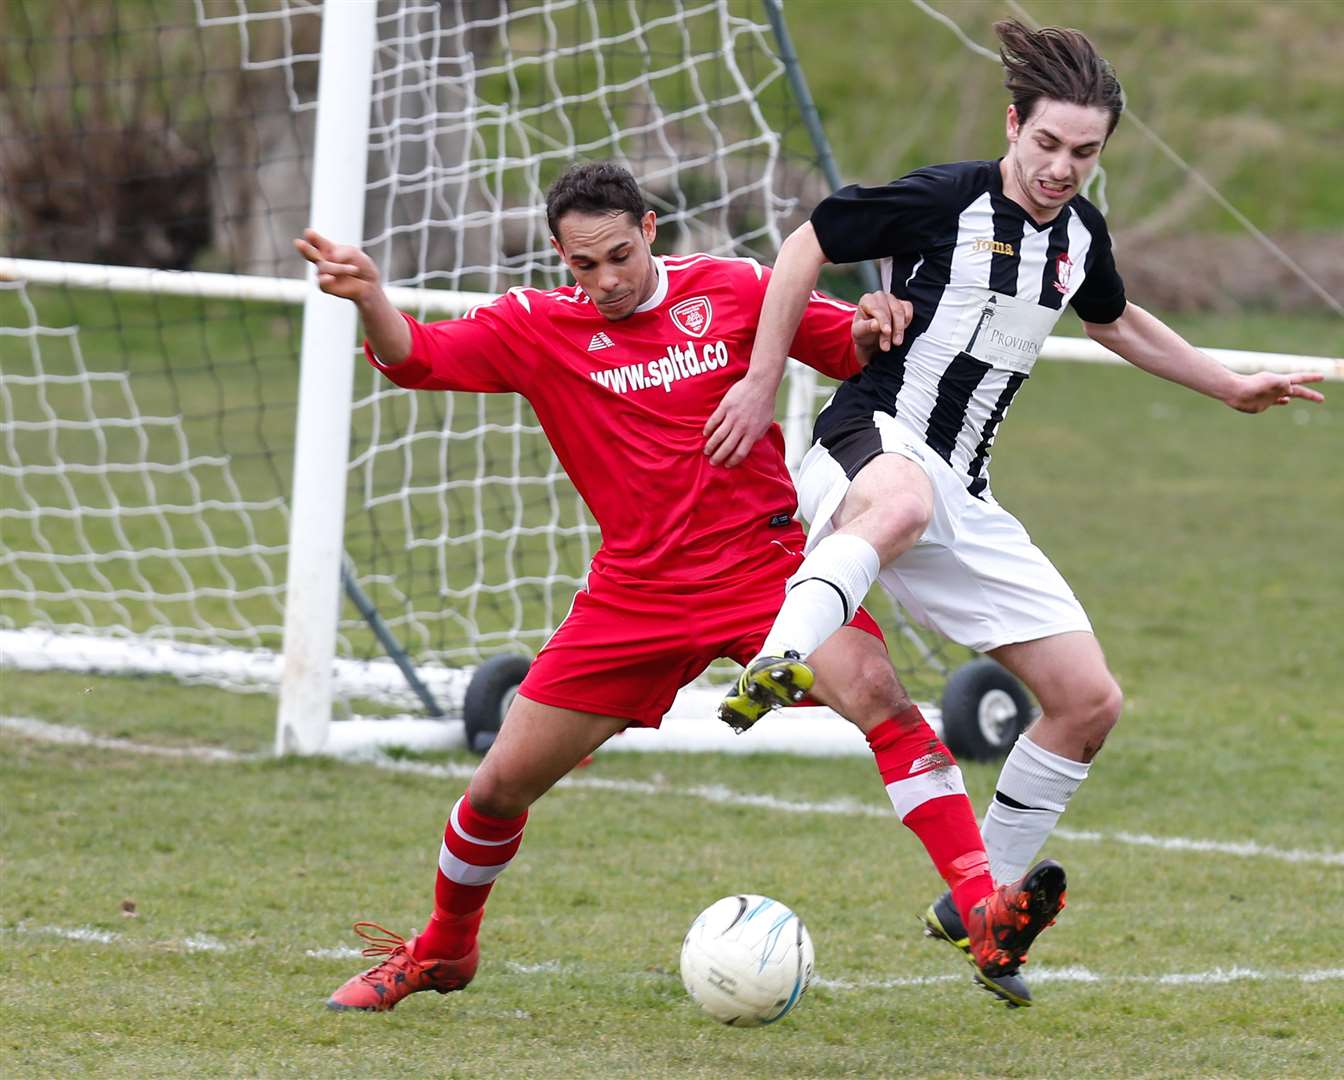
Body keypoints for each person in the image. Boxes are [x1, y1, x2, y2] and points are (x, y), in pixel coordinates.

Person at [296, 161, 1065, 1013]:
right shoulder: (536, 325)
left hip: (762, 573)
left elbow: (846, 342)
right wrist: (371, 297)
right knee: (496, 788)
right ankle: (443, 951)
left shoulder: (735, 292)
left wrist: (877, 318)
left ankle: (983, 906)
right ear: (560, 258)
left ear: (651, 229)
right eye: (583, 266)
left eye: (619, 256)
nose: (606, 282)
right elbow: (417, 359)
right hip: (635, 597)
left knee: (882, 695)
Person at [709, 21, 1326, 984]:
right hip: (871, 441)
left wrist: (1230, 384)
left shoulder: (1080, 236)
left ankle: (982, 905)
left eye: (1084, 152)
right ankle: (781, 658)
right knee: (902, 504)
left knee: (1088, 703)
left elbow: (1117, 320)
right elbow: (804, 245)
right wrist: (757, 381)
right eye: (1046, 144)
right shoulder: (944, 197)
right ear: (1013, 125)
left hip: (967, 486)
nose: (1061, 167)